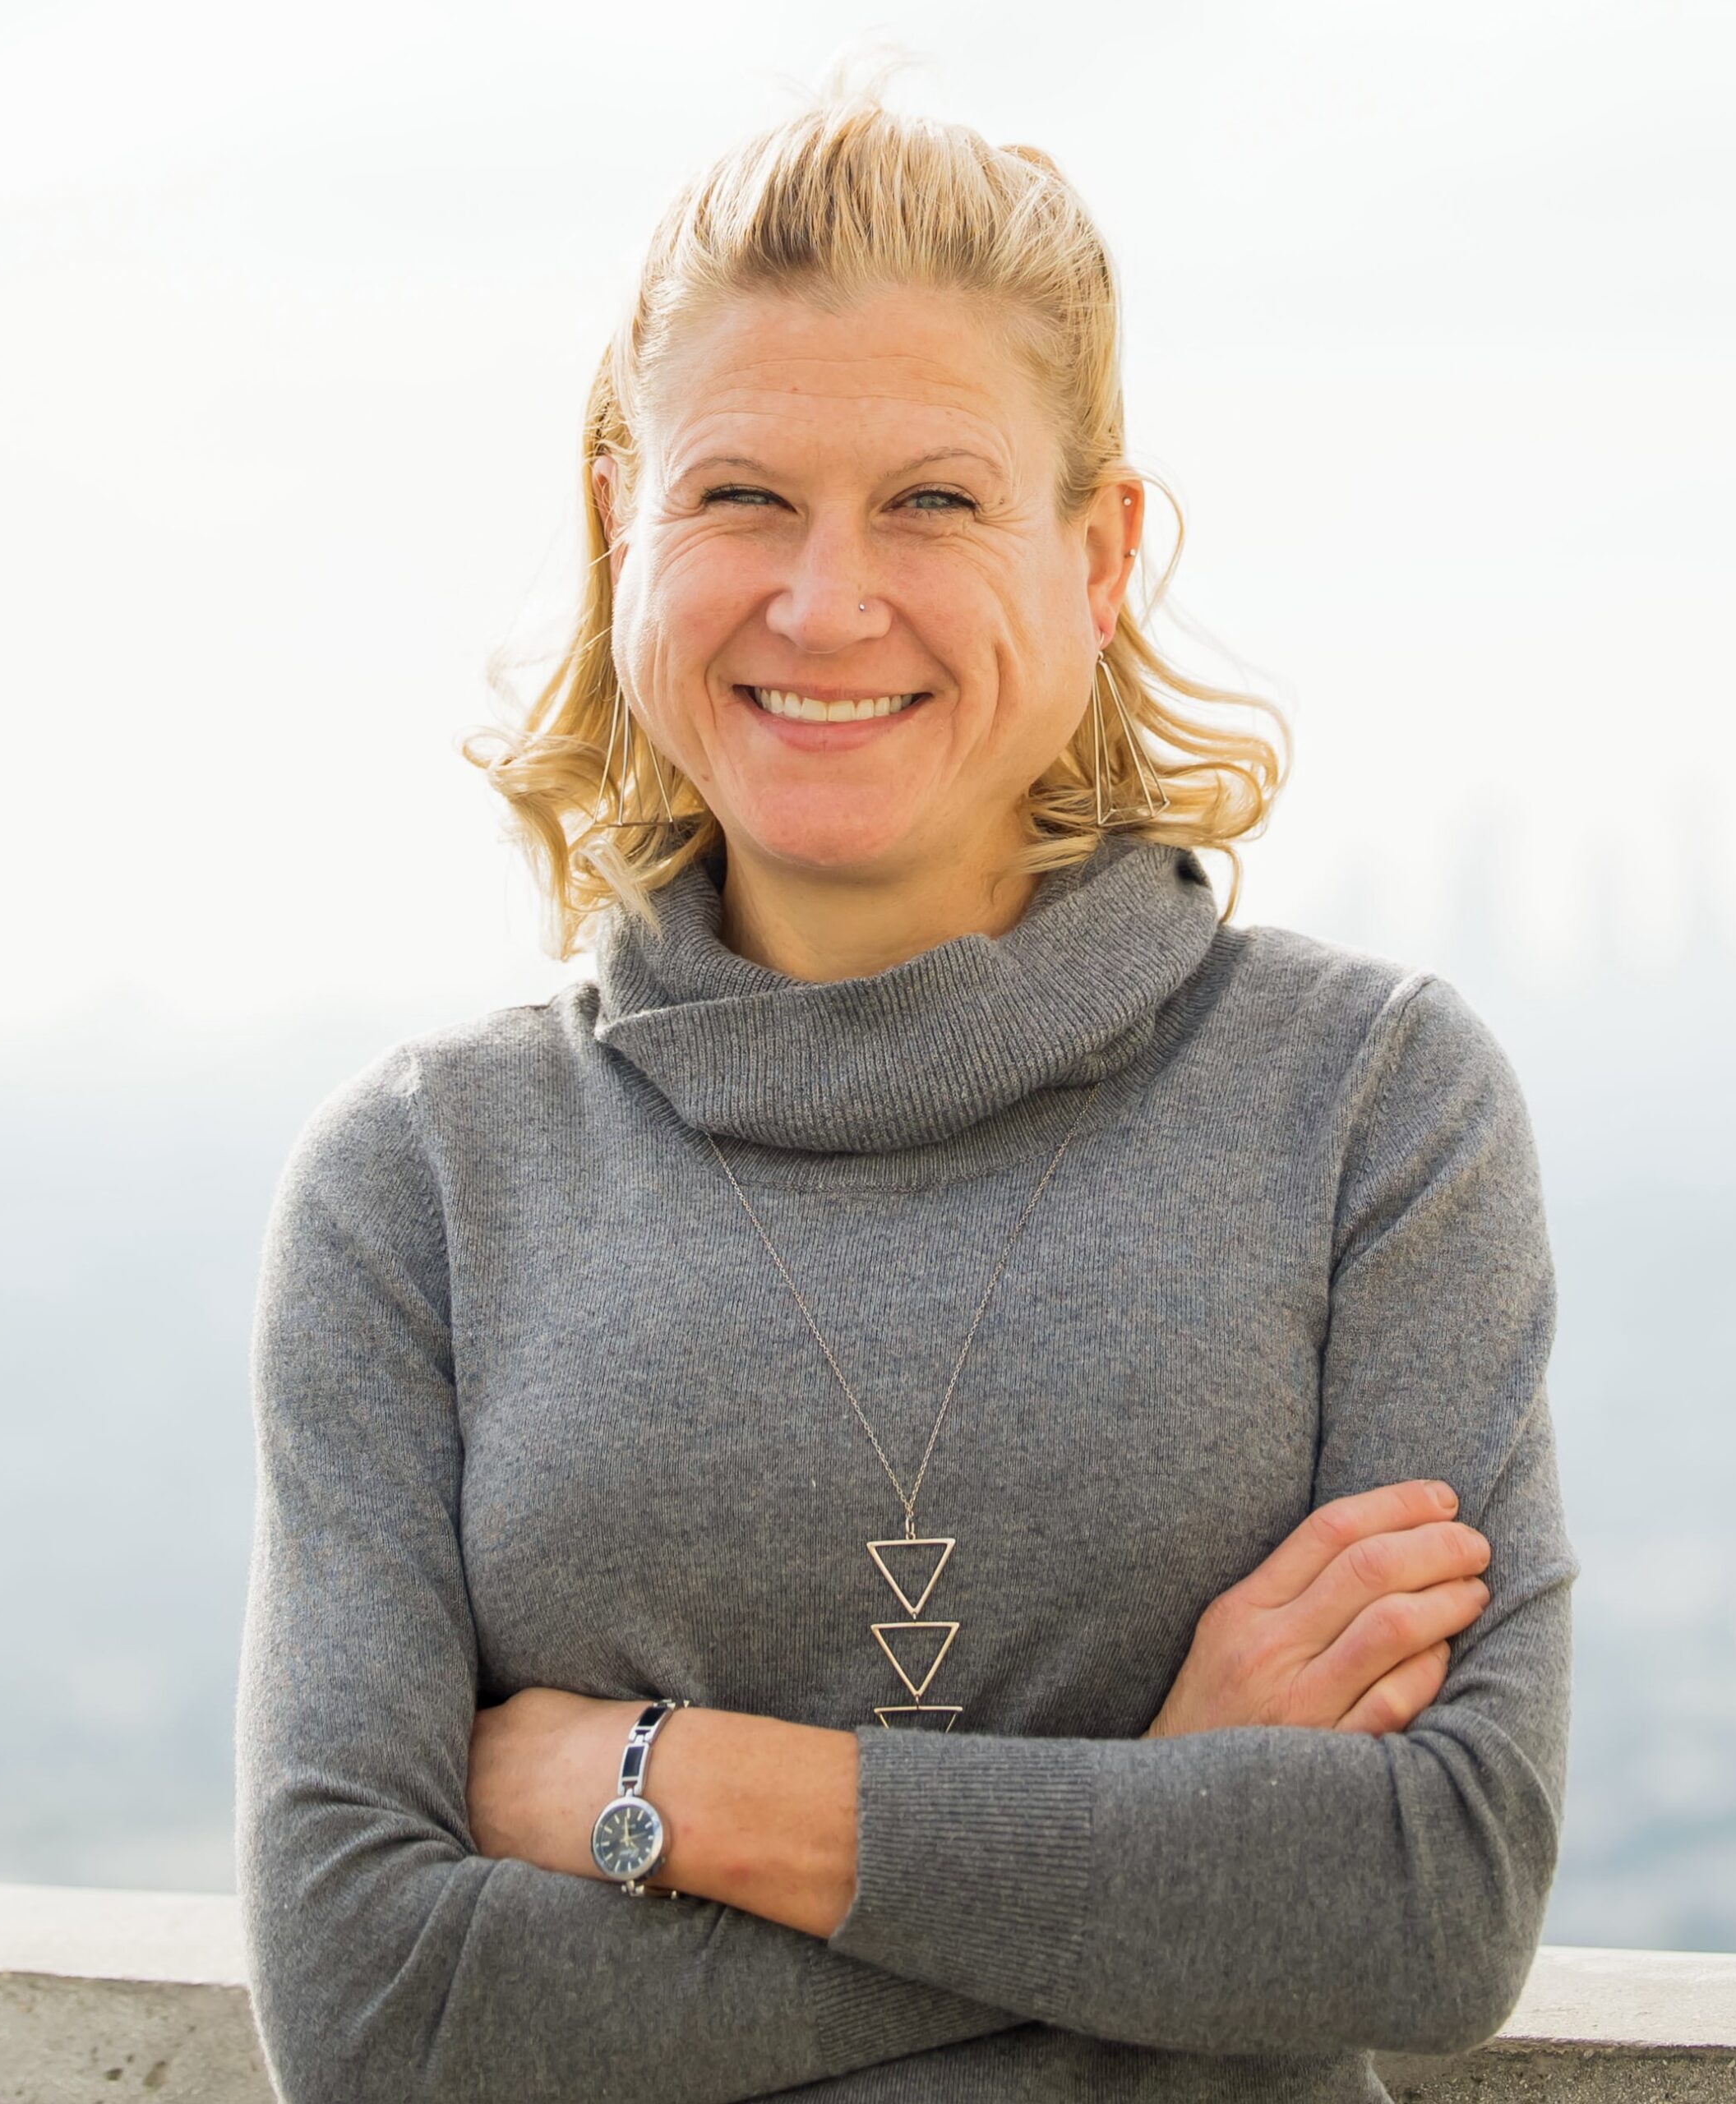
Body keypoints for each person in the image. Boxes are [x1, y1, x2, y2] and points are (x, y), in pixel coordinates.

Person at [236, 81, 1577, 2104]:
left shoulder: (1368, 1108)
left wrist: (678, 1788)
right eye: (741, 497)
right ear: (625, 526)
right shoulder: (418, 1183)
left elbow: (1429, 1905)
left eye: (933, 501)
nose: (825, 602)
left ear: (1098, 550)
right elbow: (377, 2011)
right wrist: (1155, 1824)